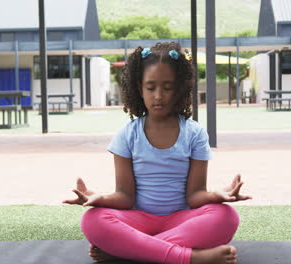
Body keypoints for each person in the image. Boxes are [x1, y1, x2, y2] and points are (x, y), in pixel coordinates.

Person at [63, 42, 251, 264]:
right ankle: (189, 257)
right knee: (92, 220)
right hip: (138, 219)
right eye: (151, 88)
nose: (159, 95)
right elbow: (125, 196)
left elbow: (195, 196)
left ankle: (129, 250)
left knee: (226, 217)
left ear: (179, 88)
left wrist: (217, 195)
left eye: (168, 87)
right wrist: (100, 198)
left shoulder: (195, 134)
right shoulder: (127, 135)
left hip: (181, 220)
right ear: (139, 89)